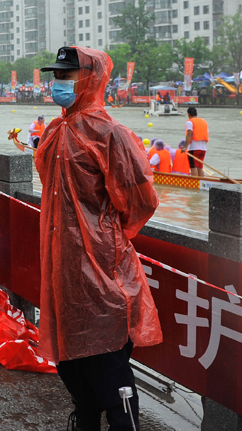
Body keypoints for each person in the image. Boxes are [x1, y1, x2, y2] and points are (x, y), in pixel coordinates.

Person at [35, 47, 161, 431]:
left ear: (90, 79)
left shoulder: (112, 135)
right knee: (72, 367)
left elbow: (141, 201)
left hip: (103, 273)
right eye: (56, 76)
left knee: (109, 370)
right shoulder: (55, 131)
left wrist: (102, 236)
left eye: (66, 75)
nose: (58, 83)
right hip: (63, 269)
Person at [183, 106, 209, 178]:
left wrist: (185, 147)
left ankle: (195, 182)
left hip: (194, 148)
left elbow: (189, 134)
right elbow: (206, 134)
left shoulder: (190, 122)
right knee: (200, 167)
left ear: (189, 115)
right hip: (203, 149)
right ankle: (202, 181)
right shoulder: (204, 121)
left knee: (193, 166)